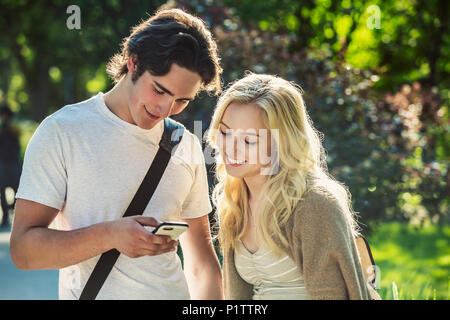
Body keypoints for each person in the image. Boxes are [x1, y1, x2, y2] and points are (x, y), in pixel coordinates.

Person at [10, 8, 223, 300]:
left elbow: (201, 265)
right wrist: (110, 235)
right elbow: (24, 251)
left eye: (182, 100)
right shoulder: (63, 131)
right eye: (159, 90)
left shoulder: (183, 143)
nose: (166, 110)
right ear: (133, 63)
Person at [207, 73, 372, 300]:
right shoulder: (235, 199)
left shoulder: (315, 203)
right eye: (225, 133)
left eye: (248, 140)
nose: (231, 148)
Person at [0, 104, 21, 228]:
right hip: (2, 163)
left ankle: (14, 209)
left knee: (17, 190)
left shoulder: (14, 127)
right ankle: (5, 216)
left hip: (13, 163)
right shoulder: (1, 129)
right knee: (2, 191)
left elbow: (17, 133)